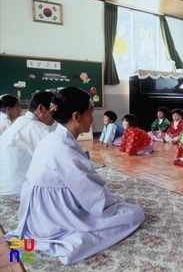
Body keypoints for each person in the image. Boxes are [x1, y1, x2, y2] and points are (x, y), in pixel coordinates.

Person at [3, 87, 145, 265]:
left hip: (38, 207)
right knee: (134, 214)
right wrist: (110, 204)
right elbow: (92, 196)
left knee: (119, 204)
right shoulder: (63, 147)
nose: (93, 118)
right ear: (76, 116)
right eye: (91, 112)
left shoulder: (55, 138)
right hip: (50, 213)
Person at [0, 91, 54, 202]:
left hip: (7, 187)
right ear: (41, 109)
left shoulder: (21, 122)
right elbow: (53, 161)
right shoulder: (36, 126)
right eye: (53, 111)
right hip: (21, 189)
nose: (56, 116)